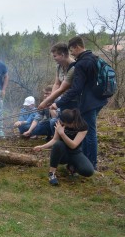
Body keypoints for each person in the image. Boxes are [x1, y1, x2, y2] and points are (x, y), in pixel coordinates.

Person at [50, 36, 108, 169]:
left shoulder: (81, 64)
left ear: (77, 47)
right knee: (87, 131)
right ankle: (86, 159)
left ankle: (91, 164)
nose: (72, 54)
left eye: (72, 51)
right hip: (100, 100)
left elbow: (76, 89)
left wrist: (58, 103)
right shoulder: (94, 58)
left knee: (89, 132)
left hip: (89, 103)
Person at [34, 109, 94, 185]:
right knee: (58, 144)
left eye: (64, 123)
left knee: (88, 171)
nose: (62, 124)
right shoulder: (60, 123)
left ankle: (72, 166)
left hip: (75, 152)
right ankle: (51, 173)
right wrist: (42, 147)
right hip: (62, 153)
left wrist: (62, 133)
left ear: (72, 122)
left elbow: (73, 145)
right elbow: (55, 140)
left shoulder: (83, 126)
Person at [38, 42, 77, 111]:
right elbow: (57, 84)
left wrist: (46, 101)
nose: (54, 58)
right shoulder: (59, 66)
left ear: (62, 55)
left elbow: (62, 88)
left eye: (55, 56)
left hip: (75, 101)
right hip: (65, 99)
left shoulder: (73, 67)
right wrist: (51, 100)